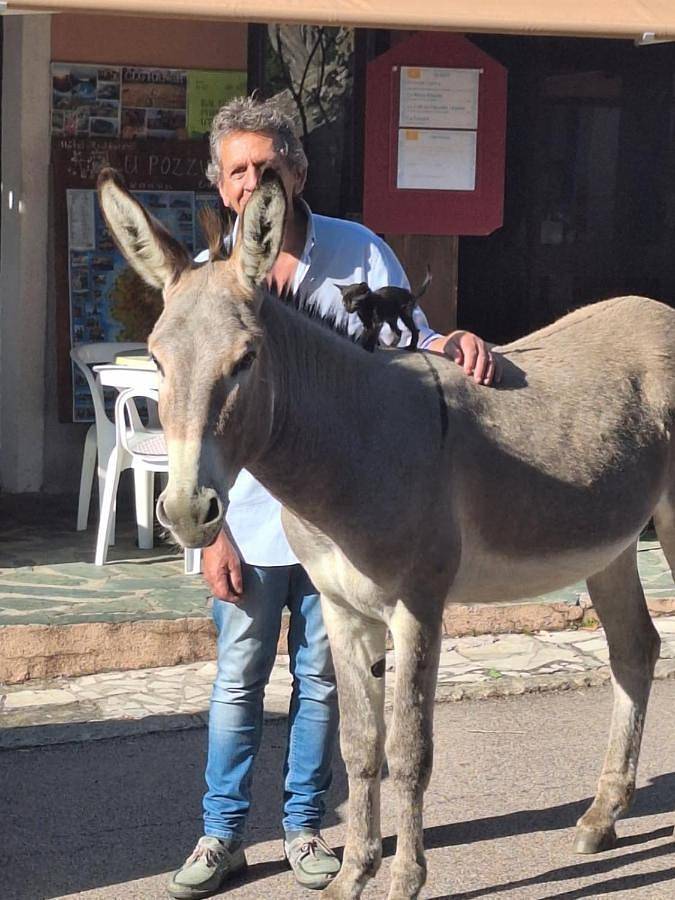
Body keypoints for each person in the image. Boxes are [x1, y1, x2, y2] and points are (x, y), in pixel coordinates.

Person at [167, 95, 500, 900]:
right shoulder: (204, 286)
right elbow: (187, 404)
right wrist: (206, 537)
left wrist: (450, 342)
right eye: (237, 169)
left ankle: (305, 827)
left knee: (326, 679)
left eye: (267, 166)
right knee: (239, 678)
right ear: (220, 187)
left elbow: (406, 345)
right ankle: (219, 835)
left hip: (344, 526)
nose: (254, 181)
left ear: (297, 174)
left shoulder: (357, 252)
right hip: (243, 519)